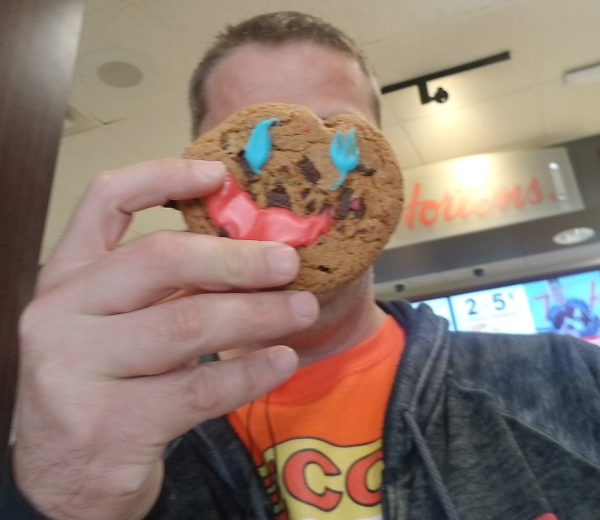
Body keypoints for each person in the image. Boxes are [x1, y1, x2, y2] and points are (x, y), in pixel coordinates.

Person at [1, 11, 600, 520]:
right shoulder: (129, 434)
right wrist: (61, 493)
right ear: (192, 178)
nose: (289, 170)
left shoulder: (569, 381)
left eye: (339, 136)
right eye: (252, 145)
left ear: (384, 170)